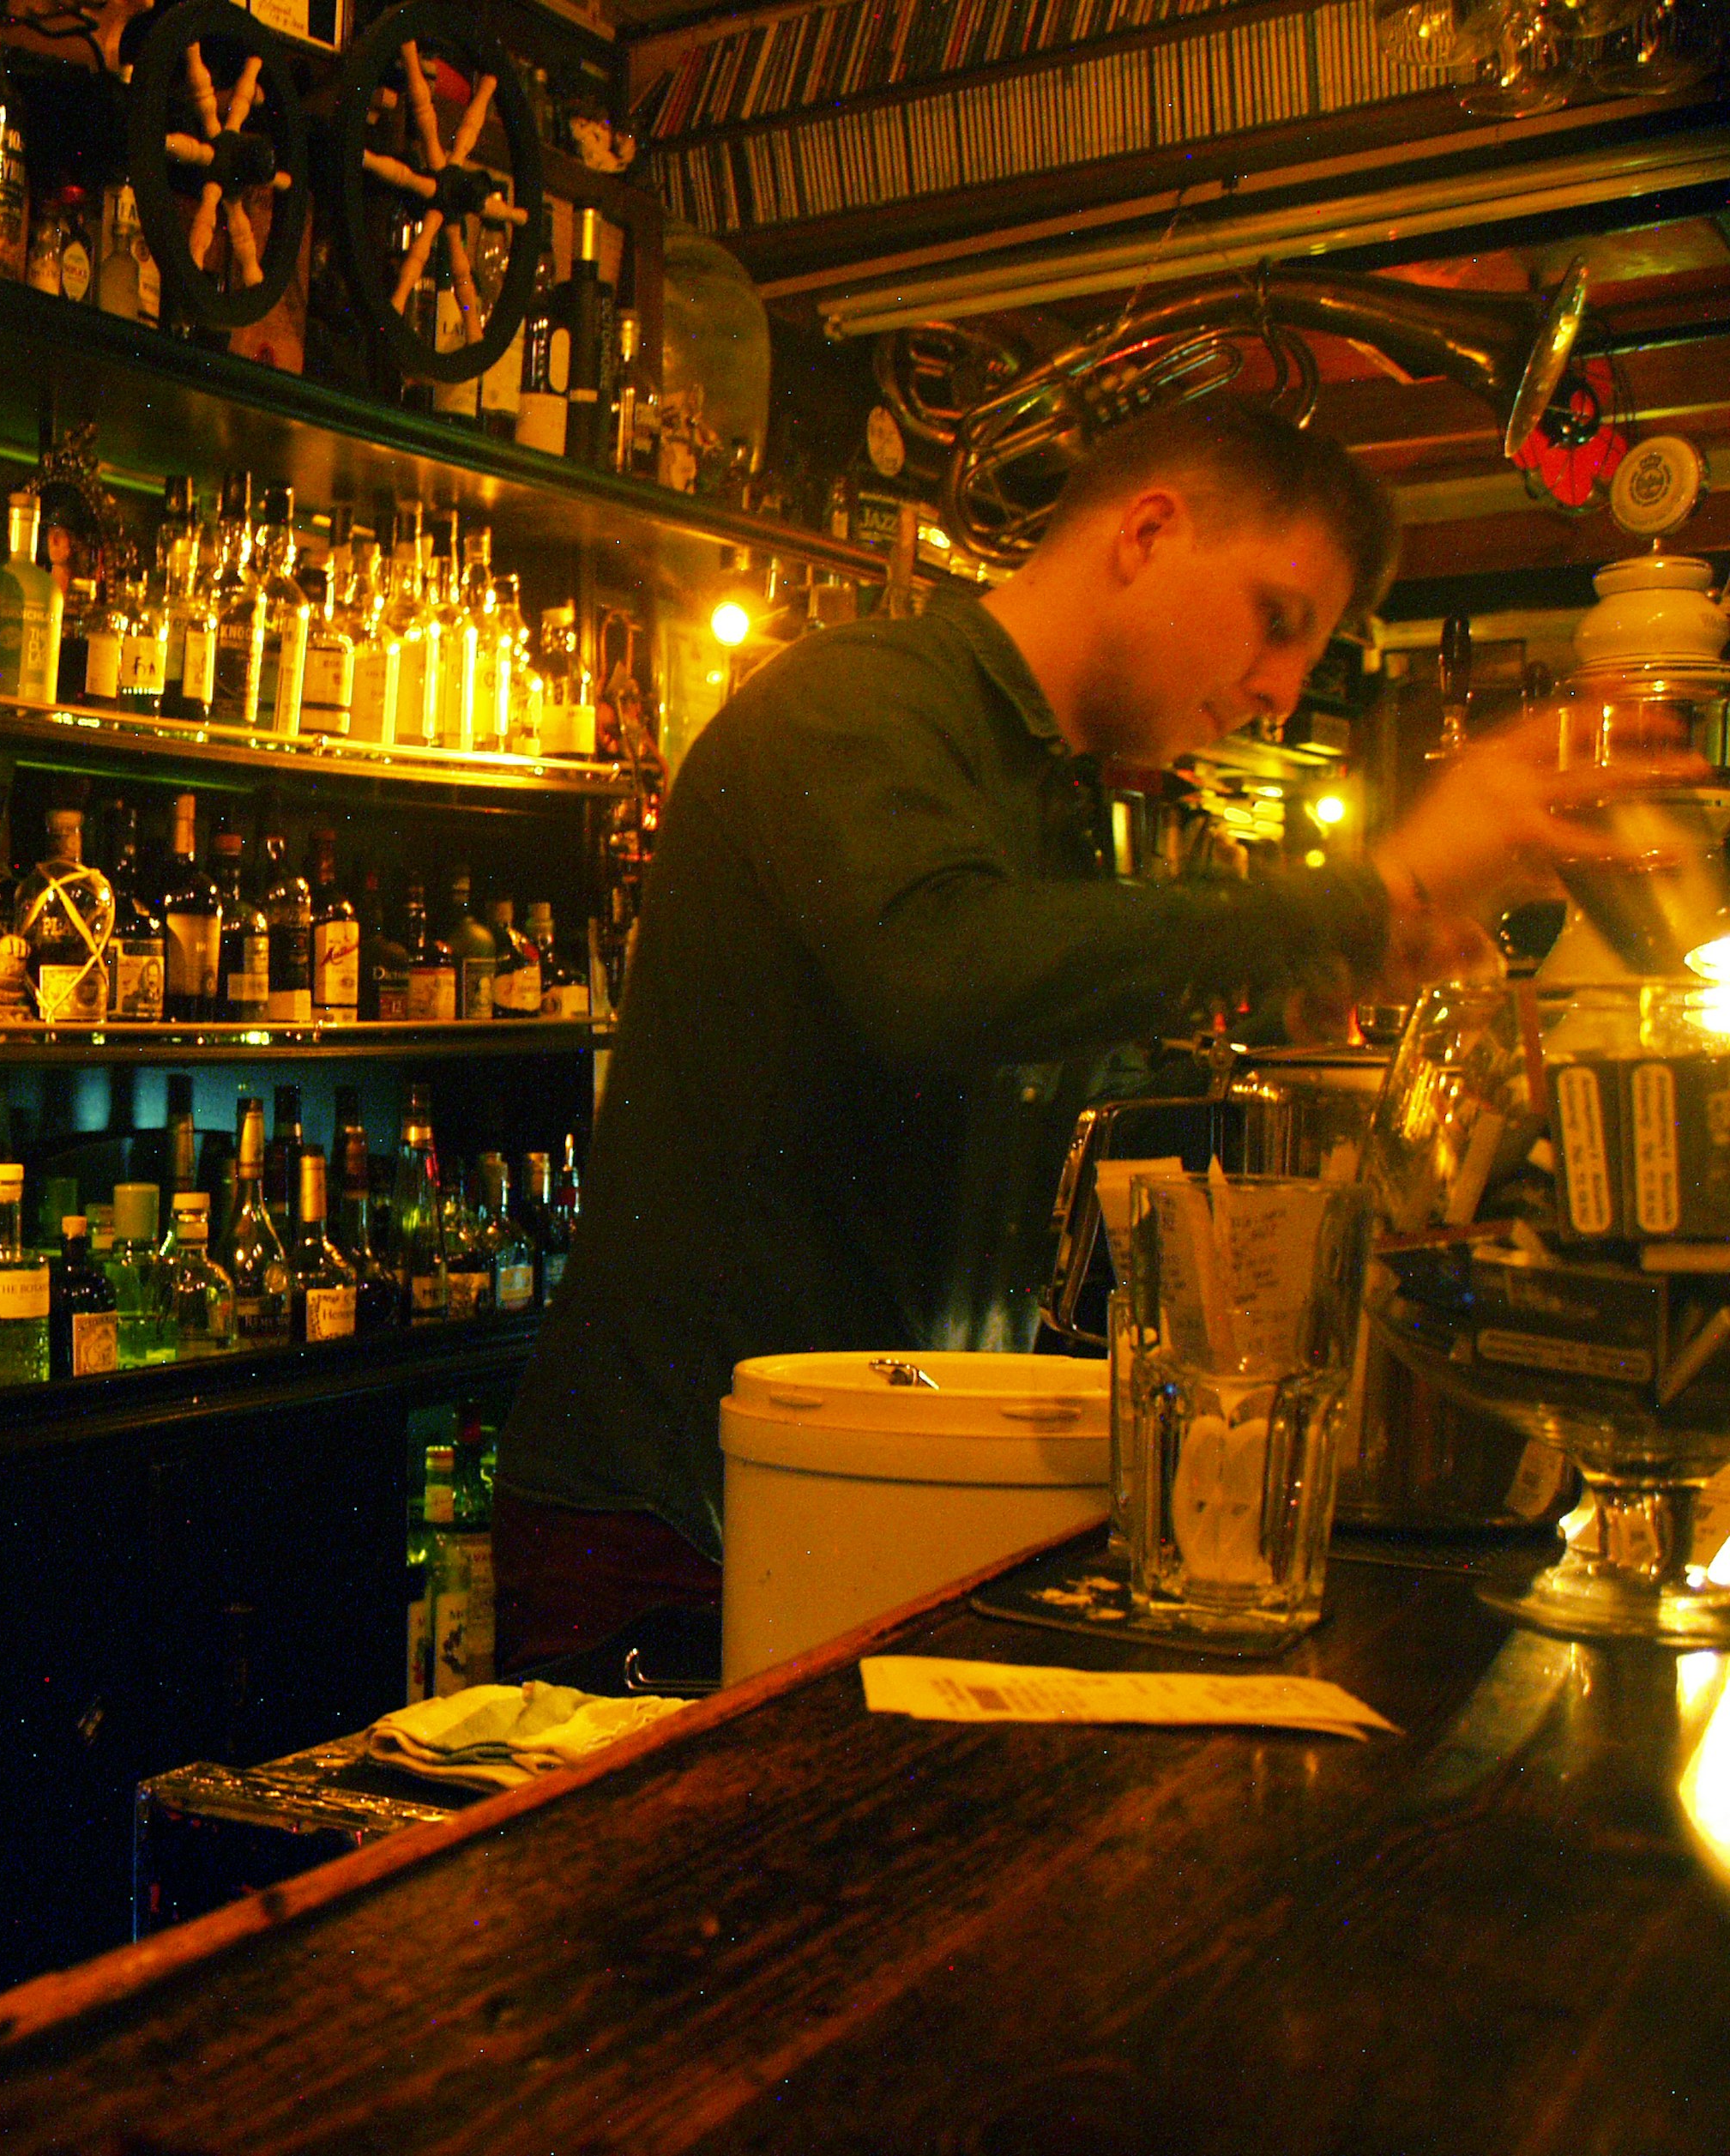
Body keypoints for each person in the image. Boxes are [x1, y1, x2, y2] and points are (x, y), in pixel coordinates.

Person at [494, 397, 1698, 1673]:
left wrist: (1299, 996)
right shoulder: (854, 703)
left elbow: (1021, 1033)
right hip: (669, 1519)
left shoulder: (1051, 799)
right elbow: (942, 976)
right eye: (1277, 620)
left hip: (873, 1480)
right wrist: (1367, 893)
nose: (1281, 693)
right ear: (1149, 532)